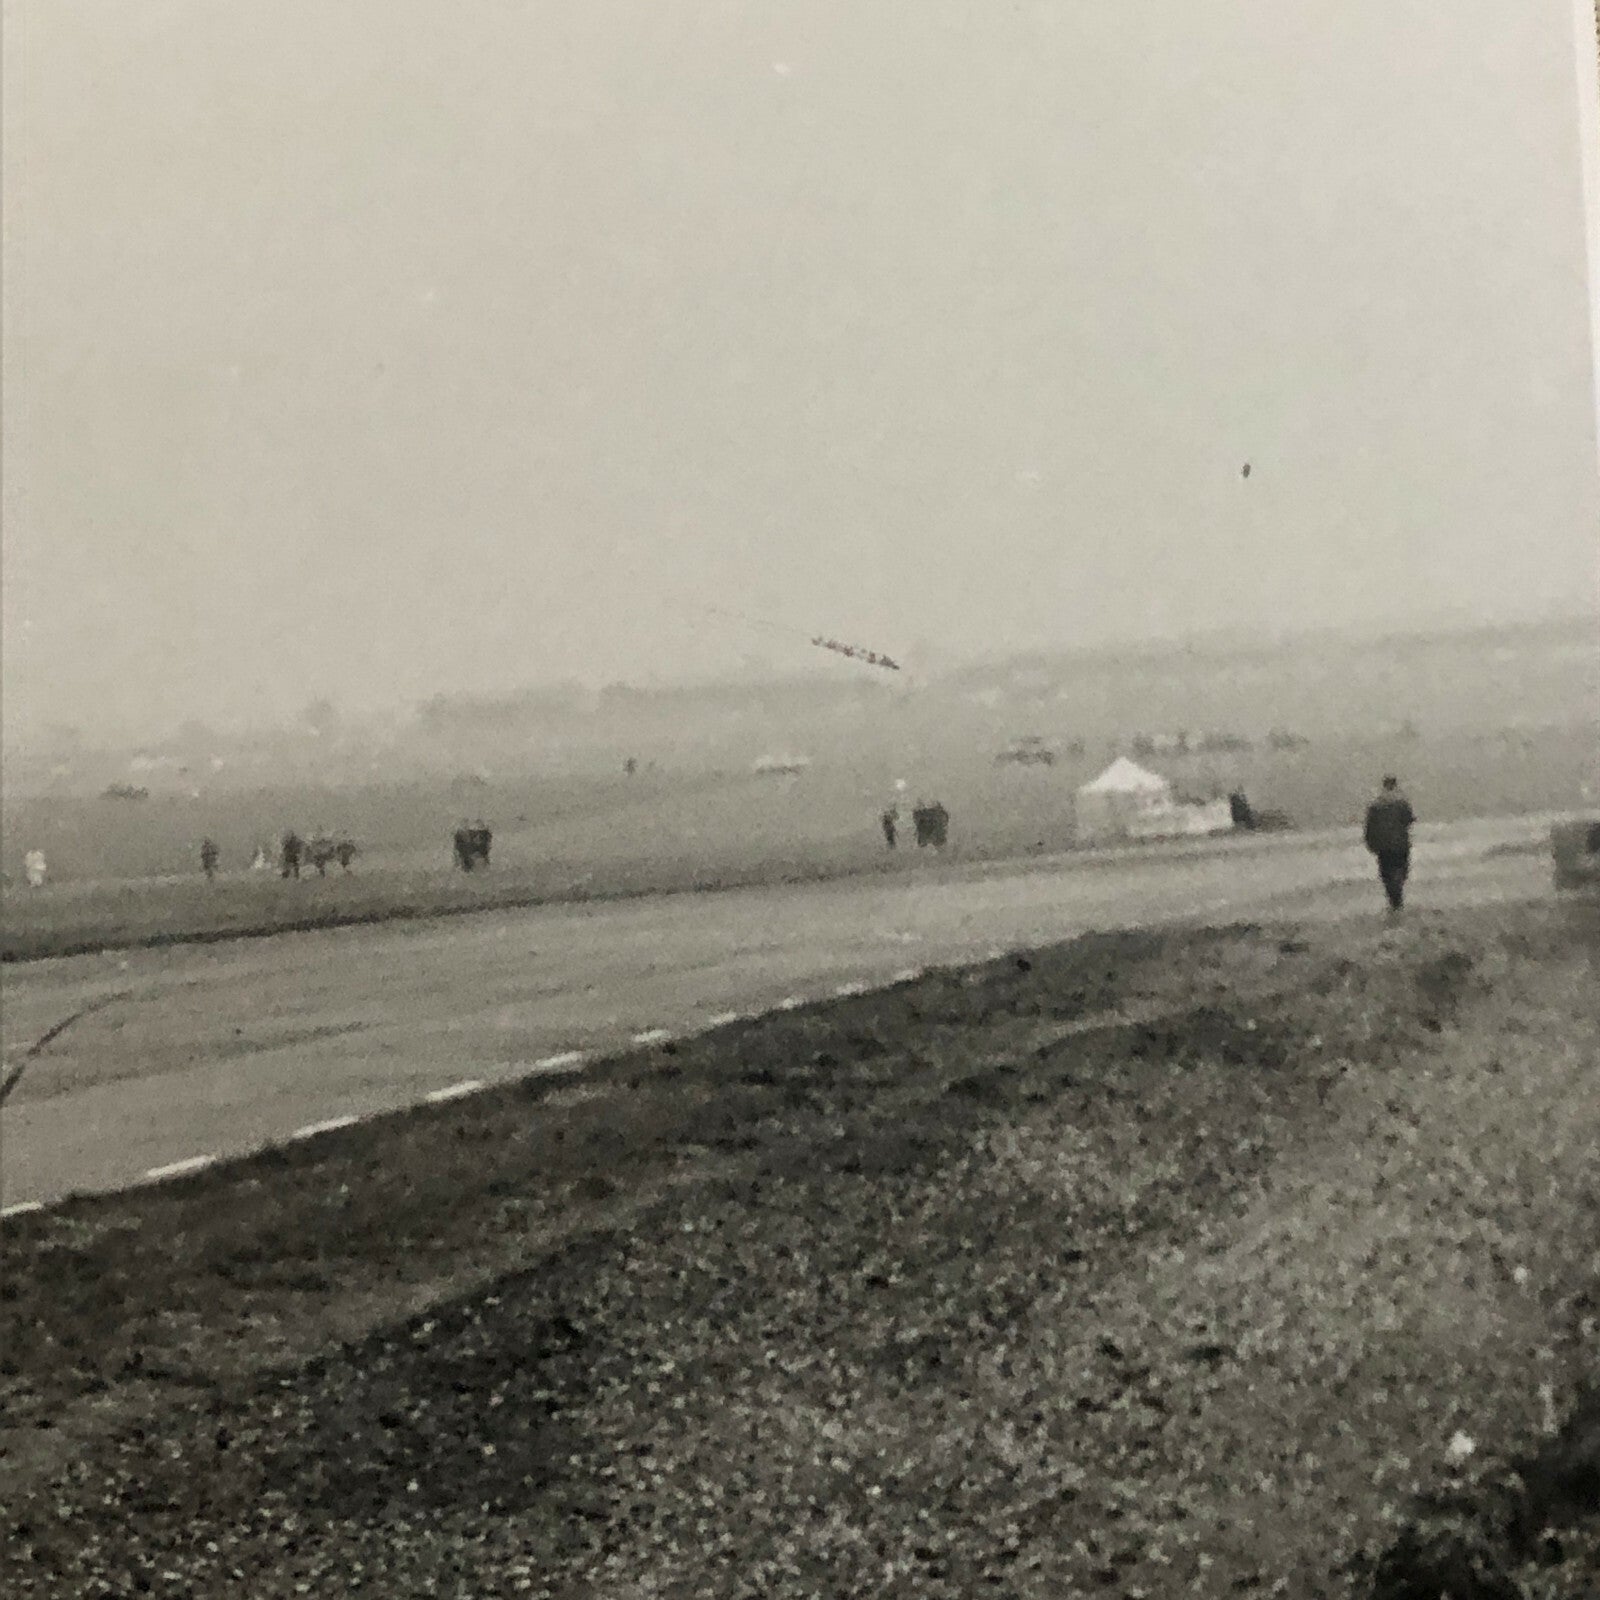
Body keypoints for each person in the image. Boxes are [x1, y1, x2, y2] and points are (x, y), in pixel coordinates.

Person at [1364, 775, 1415, 912]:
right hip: (1400, 844)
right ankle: (1397, 896)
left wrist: (1371, 843)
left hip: (1384, 846)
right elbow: (1409, 820)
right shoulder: (1401, 802)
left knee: (1386, 873)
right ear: (1395, 785)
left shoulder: (1376, 804)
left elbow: (1369, 827)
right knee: (1401, 870)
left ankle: (1394, 900)